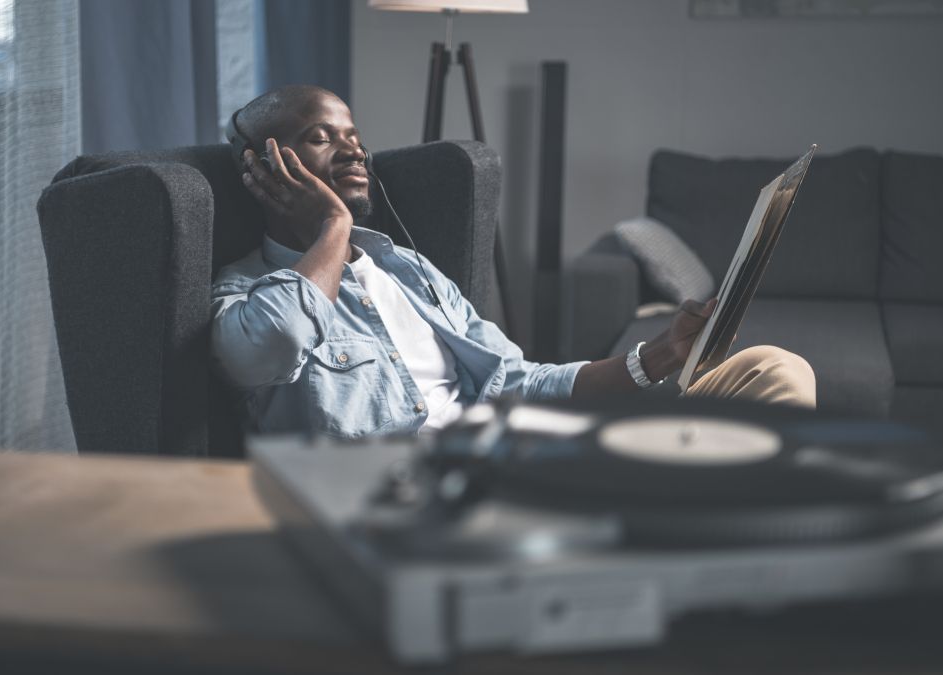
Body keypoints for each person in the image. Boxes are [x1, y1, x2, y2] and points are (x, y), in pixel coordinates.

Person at [211, 85, 814, 439]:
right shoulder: (244, 293)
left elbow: (517, 381)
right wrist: (334, 224)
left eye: (354, 134)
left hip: (515, 454)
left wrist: (661, 355)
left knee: (772, 369)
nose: (355, 149)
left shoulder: (409, 273)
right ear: (264, 168)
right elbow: (270, 344)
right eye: (323, 137)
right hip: (414, 505)